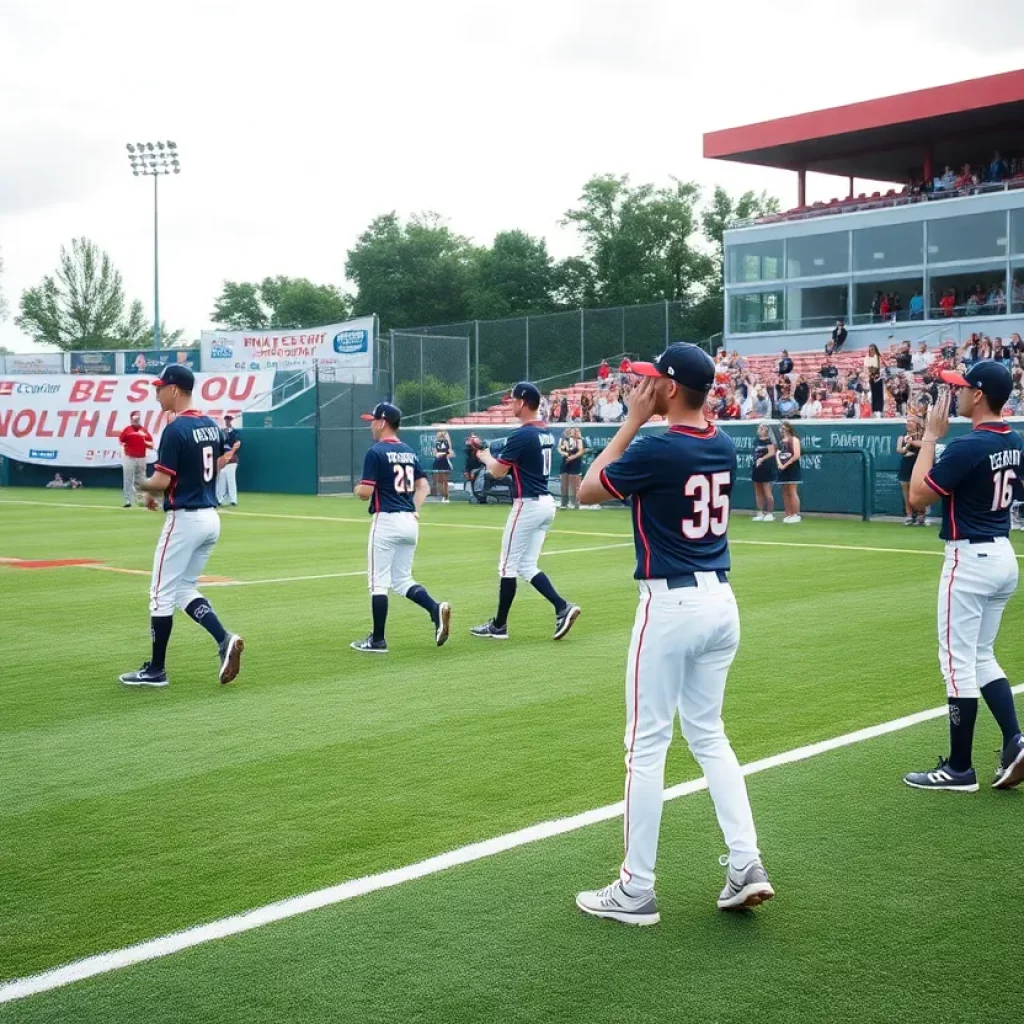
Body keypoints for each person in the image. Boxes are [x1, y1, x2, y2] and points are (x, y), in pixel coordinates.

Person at [573, 343, 773, 925]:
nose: (642, 387)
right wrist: (646, 415)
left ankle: (635, 889)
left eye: (651, 381)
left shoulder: (658, 444)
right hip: (721, 601)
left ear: (667, 388)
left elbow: (587, 490)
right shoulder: (723, 441)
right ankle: (746, 863)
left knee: (646, 747)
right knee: (709, 735)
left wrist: (633, 420)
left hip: (671, 605)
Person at [904, 362, 1024, 792]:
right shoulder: (1015, 439)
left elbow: (917, 498)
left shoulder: (968, 446)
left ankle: (959, 769)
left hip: (970, 560)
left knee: (956, 665)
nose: (956, 394)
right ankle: (1015, 741)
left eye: (962, 388)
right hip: (1003, 553)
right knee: (982, 656)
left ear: (978, 395)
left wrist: (931, 438)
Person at [118, 364, 243, 688]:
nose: (156, 393)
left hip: (185, 519)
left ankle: (156, 670)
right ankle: (224, 639)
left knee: (160, 593)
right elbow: (211, 468)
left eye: (160, 387)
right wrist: (161, 491)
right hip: (210, 518)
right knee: (184, 588)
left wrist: (143, 486)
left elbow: (160, 479)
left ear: (174, 389)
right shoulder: (211, 425)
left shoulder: (175, 429)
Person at [471, 382, 581, 641]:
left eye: (513, 400)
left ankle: (499, 626)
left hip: (529, 504)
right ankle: (561, 607)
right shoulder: (544, 432)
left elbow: (498, 471)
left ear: (522, 402)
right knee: (527, 565)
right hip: (545, 503)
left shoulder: (523, 434)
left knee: (507, 565)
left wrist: (486, 457)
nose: (510, 404)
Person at [350, 402, 451, 653]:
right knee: (403, 579)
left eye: (373, 420)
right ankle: (434, 608)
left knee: (378, 583)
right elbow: (424, 487)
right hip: (409, 521)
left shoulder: (376, 451)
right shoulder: (409, 451)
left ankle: (378, 640)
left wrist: (357, 490)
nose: (371, 425)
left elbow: (366, 491)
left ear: (383, 422)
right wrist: (414, 509)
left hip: (386, 520)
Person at [119, 410, 153, 507]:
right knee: (128, 478)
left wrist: (144, 442)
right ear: (131, 419)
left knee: (141, 479)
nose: (136, 421)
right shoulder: (127, 430)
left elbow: (151, 444)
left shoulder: (144, 431)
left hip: (141, 458)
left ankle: (141, 499)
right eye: (135, 419)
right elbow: (121, 441)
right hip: (129, 457)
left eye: (138, 419)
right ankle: (127, 500)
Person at [896, 418, 925, 525]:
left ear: (916, 424)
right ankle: (909, 514)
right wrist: (907, 445)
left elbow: (924, 445)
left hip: (918, 463)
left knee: (918, 489)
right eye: (907, 422)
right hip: (906, 464)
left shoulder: (922, 436)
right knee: (905, 488)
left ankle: (920, 514)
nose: (908, 424)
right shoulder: (902, 437)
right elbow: (899, 449)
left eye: (911, 422)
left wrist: (912, 441)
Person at [775, 421, 802, 524]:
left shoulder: (794, 440)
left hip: (792, 468)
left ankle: (796, 514)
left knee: (792, 491)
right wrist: (779, 465)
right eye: (780, 427)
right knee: (785, 492)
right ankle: (788, 514)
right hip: (782, 470)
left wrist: (785, 465)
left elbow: (796, 455)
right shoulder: (781, 441)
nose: (781, 429)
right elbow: (777, 454)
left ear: (787, 428)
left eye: (783, 427)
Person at [751, 422, 777, 522]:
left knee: (767, 492)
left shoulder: (769, 441)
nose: (760, 429)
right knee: (758, 492)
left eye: (762, 427)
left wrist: (762, 459)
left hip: (767, 468)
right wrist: (756, 461)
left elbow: (772, 452)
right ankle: (760, 513)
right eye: (759, 427)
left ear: (767, 430)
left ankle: (770, 513)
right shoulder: (756, 441)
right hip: (757, 468)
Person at [558, 427, 586, 510]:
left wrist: (572, 457)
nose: (574, 433)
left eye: (576, 431)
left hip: (575, 463)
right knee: (564, 483)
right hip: (566, 462)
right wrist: (565, 454)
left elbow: (580, 451)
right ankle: (564, 503)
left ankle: (575, 503)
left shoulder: (579, 441)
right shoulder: (564, 440)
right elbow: (560, 449)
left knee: (575, 484)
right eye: (573, 431)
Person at [215, 415, 241, 507]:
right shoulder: (221, 432)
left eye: (229, 420)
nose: (227, 421)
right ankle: (220, 499)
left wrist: (230, 454)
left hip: (231, 460)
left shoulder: (235, 432)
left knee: (231, 479)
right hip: (222, 460)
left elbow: (237, 444)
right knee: (220, 480)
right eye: (226, 420)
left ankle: (233, 500)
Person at [432, 430, 453, 503]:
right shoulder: (436, 444)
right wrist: (437, 455)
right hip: (438, 463)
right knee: (439, 480)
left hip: (445, 462)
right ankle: (441, 495)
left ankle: (446, 497)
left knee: (445, 480)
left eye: (443, 434)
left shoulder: (447, 444)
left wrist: (444, 454)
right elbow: (435, 452)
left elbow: (451, 454)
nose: (441, 434)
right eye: (439, 433)